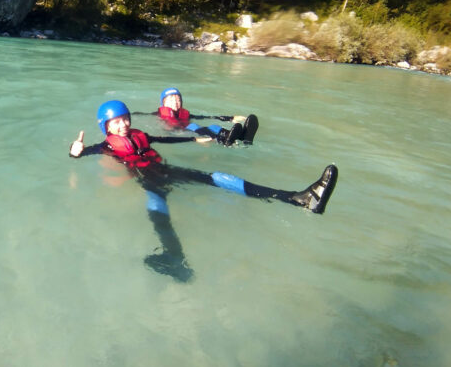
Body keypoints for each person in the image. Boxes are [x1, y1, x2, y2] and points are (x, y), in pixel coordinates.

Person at [69, 100, 338, 282]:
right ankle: (174, 259)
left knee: (218, 178)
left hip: (165, 170)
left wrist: (195, 138)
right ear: (106, 127)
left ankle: (300, 198)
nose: (123, 124)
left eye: (125, 118)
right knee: (159, 214)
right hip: (148, 178)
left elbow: (164, 138)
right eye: (116, 122)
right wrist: (77, 153)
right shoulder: (107, 146)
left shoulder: (140, 134)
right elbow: (85, 153)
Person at [135, 87, 259, 146]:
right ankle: (223, 140)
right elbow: (142, 116)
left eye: (178, 99)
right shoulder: (157, 114)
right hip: (175, 132)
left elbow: (204, 117)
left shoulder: (185, 114)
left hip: (190, 130)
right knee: (194, 125)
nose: (175, 102)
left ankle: (239, 137)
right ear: (164, 103)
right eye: (171, 100)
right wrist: (127, 116)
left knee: (213, 125)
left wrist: (230, 118)